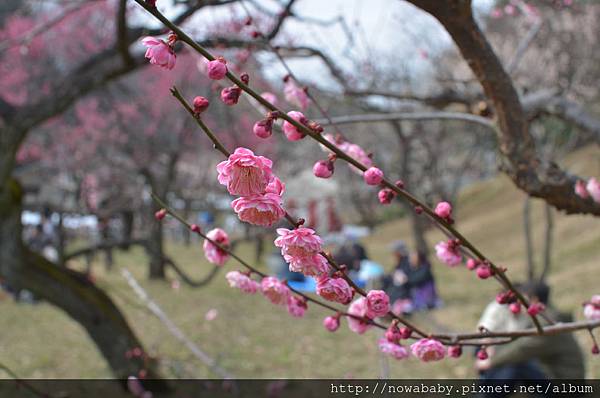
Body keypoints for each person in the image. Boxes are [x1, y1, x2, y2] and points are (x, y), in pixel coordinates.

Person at [477, 282, 585, 390]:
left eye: (522, 299)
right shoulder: (548, 317)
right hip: (558, 376)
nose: (519, 303)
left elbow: (521, 350)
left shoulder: (546, 326)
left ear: (534, 300)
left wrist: (491, 362)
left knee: (517, 364)